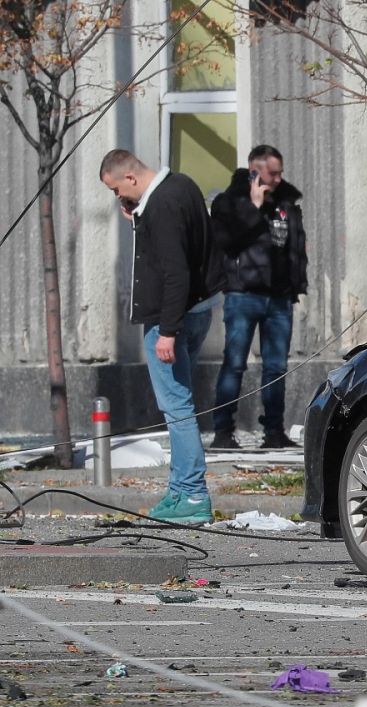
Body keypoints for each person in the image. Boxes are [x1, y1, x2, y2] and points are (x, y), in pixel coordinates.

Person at [100, 149, 223, 525]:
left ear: (130, 178)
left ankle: (192, 493)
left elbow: (175, 271)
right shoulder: (181, 186)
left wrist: (167, 331)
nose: (118, 197)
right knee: (179, 403)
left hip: (169, 319)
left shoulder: (161, 206)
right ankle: (179, 490)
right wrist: (138, 217)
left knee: (177, 407)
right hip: (198, 309)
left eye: (116, 189)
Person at [208, 145, 308, 450]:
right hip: (243, 294)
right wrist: (253, 207)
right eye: (272, 173)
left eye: (280, 173)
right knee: (235, 364)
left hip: (279, 297)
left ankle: (274, 432)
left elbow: (294, 246)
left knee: (276, 368)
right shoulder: (228, 202)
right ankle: (223, 432)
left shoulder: (286, 202)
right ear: (254, 170)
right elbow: (226, 242)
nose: (277, 179)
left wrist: (295, 283)